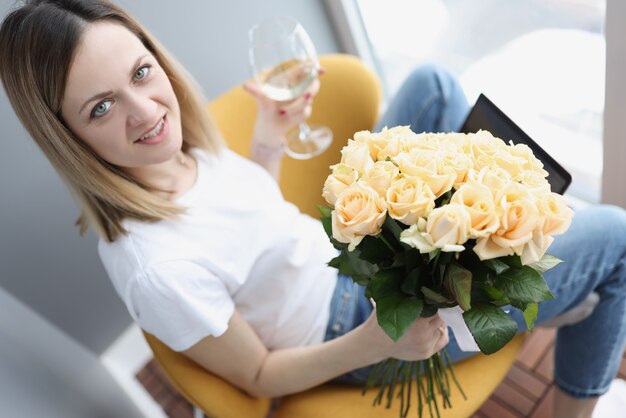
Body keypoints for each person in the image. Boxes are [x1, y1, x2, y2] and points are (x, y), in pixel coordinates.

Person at [0, 1, 624, 417]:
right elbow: (261, 379)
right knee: (619, 236)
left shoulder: (177, 153)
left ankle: (509, 276)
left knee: (432, 83)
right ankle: (572, 397)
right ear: (68, 136)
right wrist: (377, 339)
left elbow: (246, 226)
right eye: (100, 108)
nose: (144, 112)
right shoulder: (155, 268)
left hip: (341, 256)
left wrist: (268, 140)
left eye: (141, 72)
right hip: (353, 331)